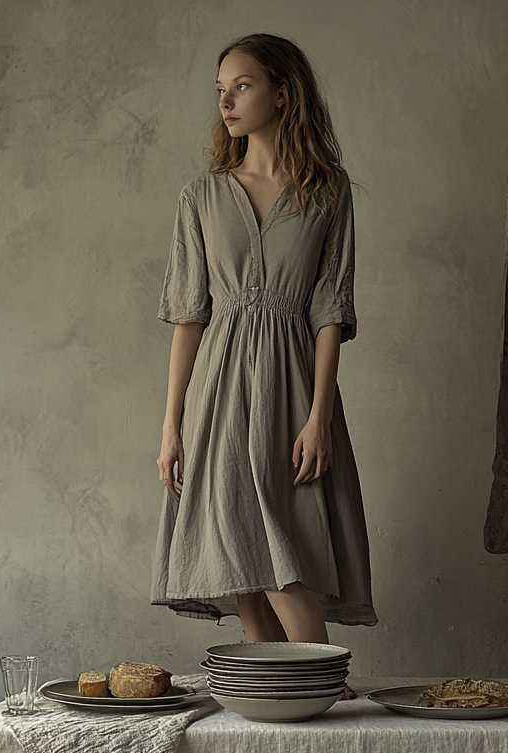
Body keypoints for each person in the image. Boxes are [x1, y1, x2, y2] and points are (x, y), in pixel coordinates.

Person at [152, 32, 377, 650]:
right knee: (234, 543)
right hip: (216, 390)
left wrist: (320, 417)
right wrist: (173, 428)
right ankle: (273, 687)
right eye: (220, 91)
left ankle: (320, 680)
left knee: (284, 539)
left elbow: (330, 309)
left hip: (292, 387)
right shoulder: (200, 197)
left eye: (242, 86)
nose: (226, 102)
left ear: (283, 92)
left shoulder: (326, 192)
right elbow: (189, 317)